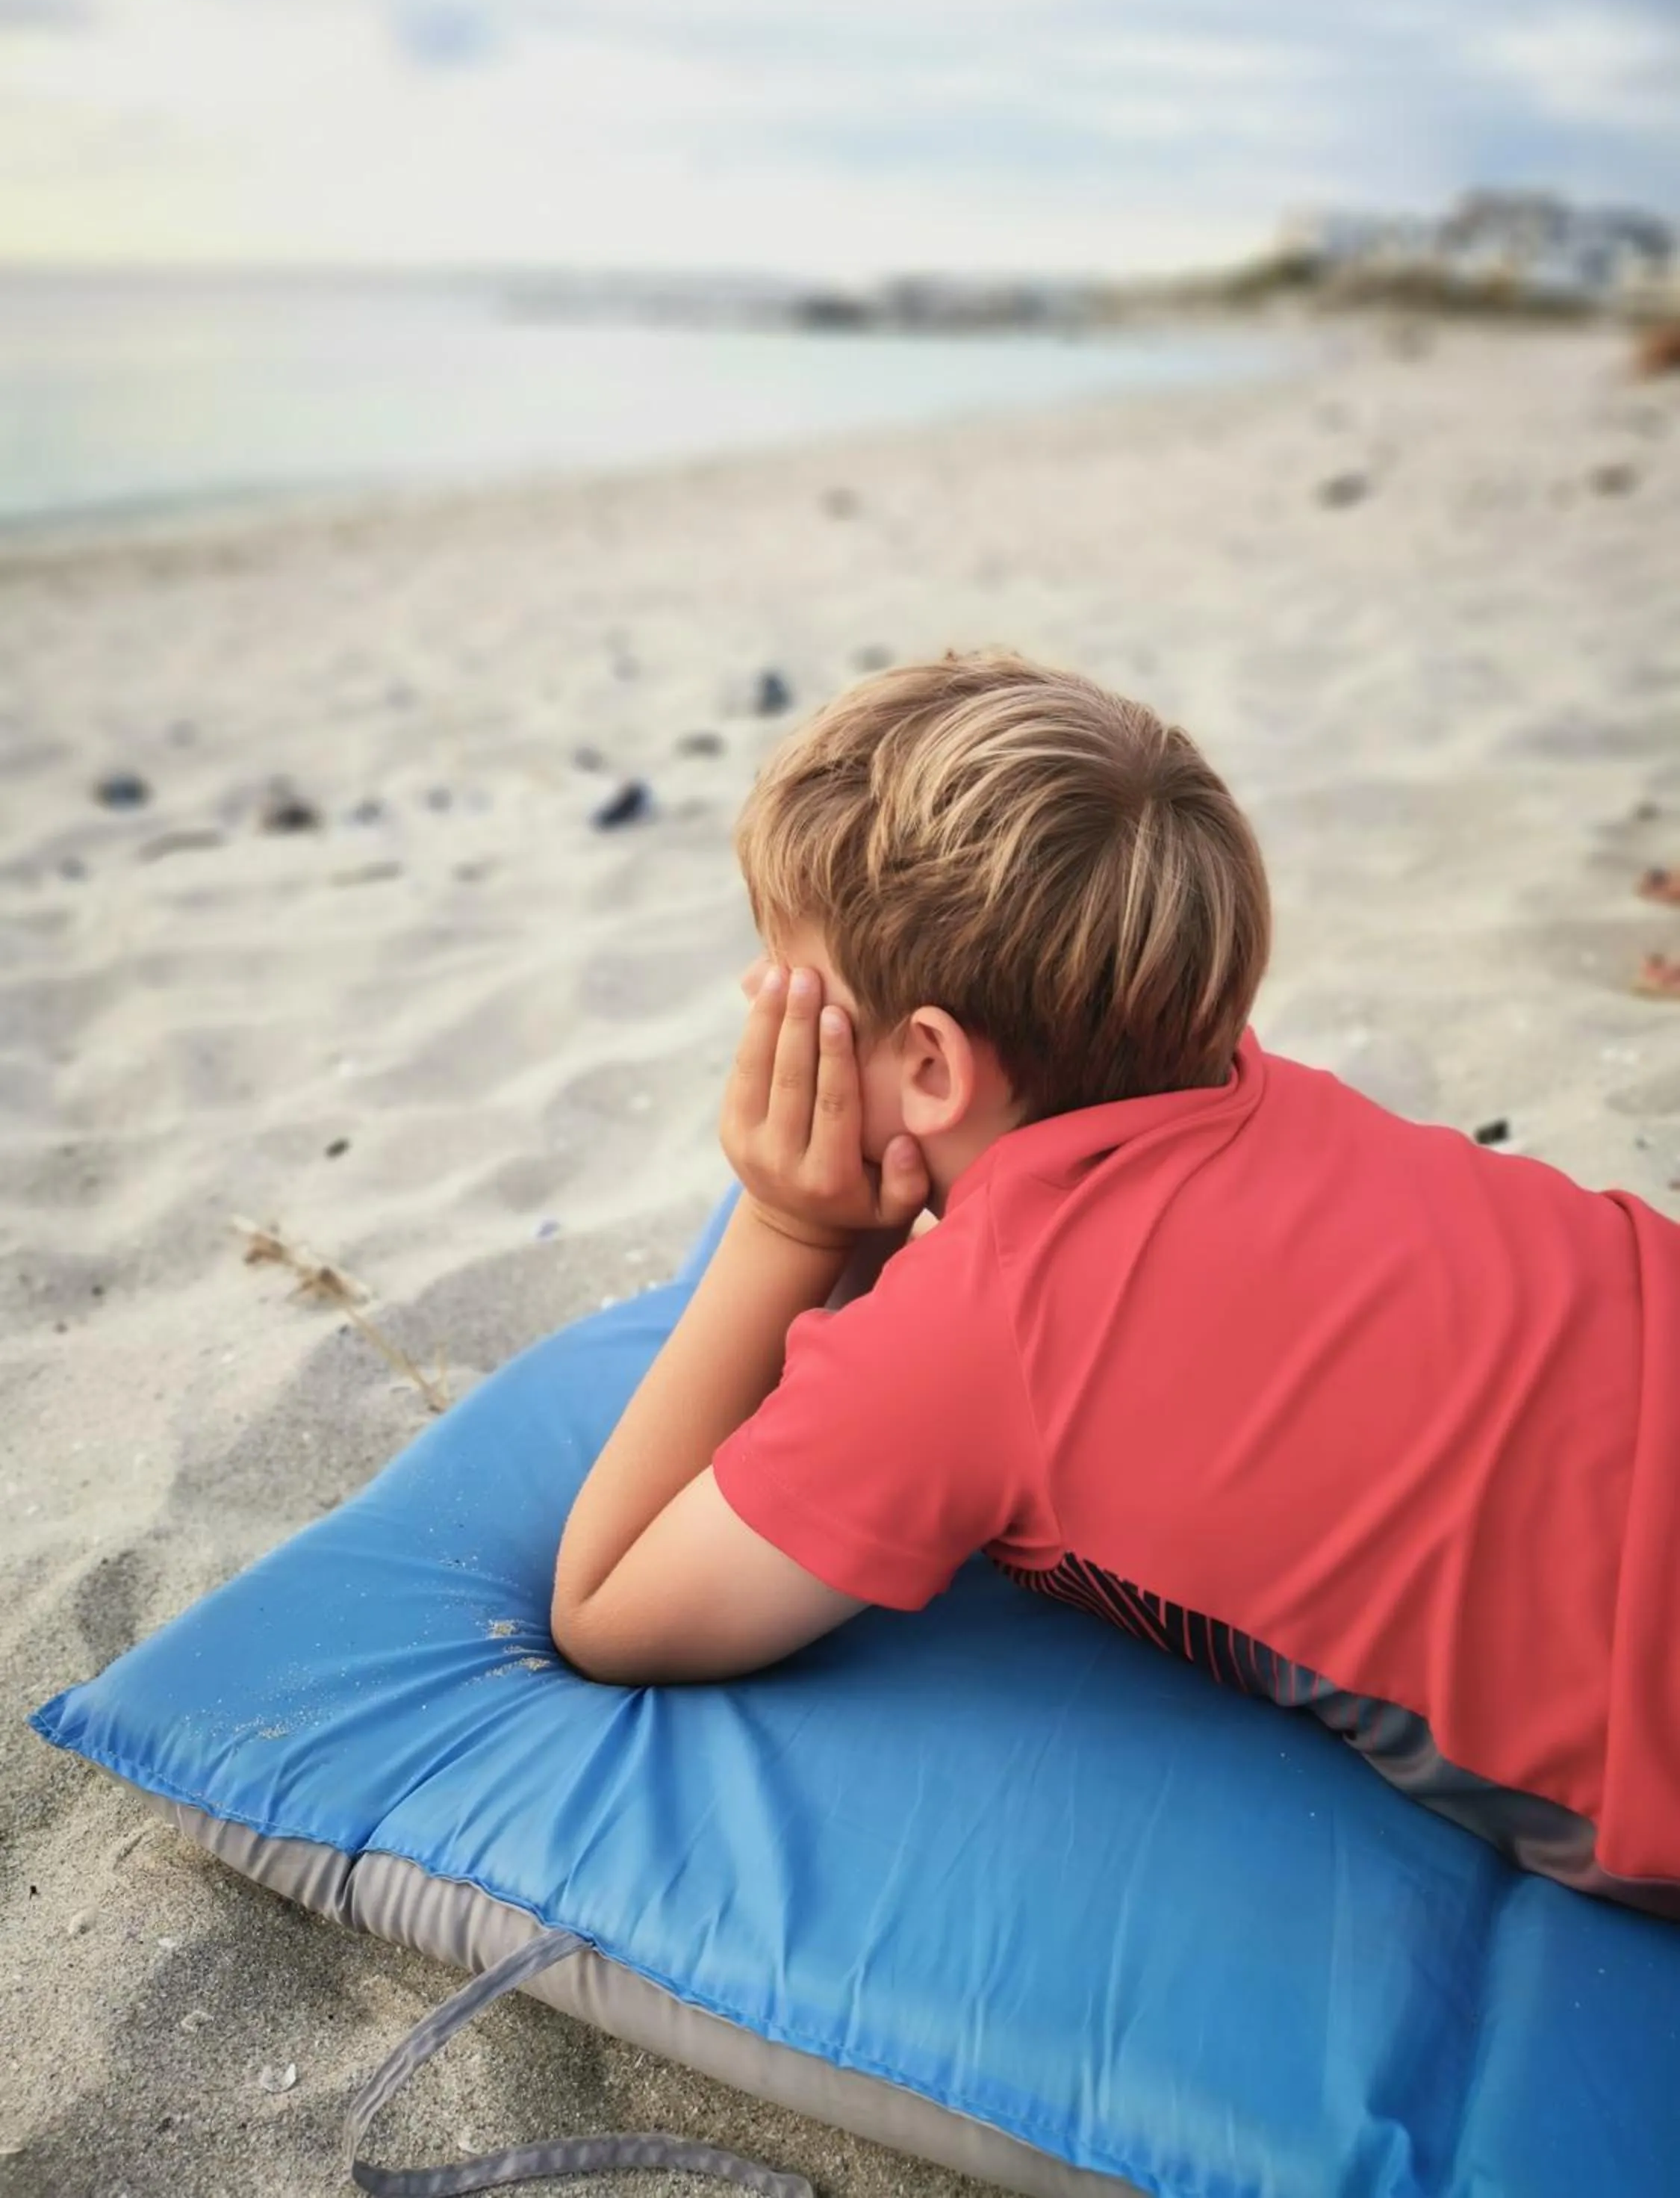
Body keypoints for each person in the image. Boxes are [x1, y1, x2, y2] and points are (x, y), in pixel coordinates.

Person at [550, 651, 1680, 1915]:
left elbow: (607, 1611)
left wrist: (784, 1229)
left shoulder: (972, 1335)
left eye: (788, 986)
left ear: (930, 1063)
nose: (759, 1007)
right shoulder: (1262, 1093)